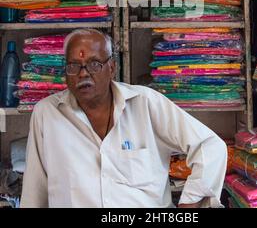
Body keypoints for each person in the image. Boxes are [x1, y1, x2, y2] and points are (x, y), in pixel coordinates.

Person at [20, 29, 227, 208]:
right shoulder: (47, 114)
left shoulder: (146, 103)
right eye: (74, 66)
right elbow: (34, 190)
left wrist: (189, 203)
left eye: (94, 64)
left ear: (111, 67)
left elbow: (210, 146)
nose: (83, 74)